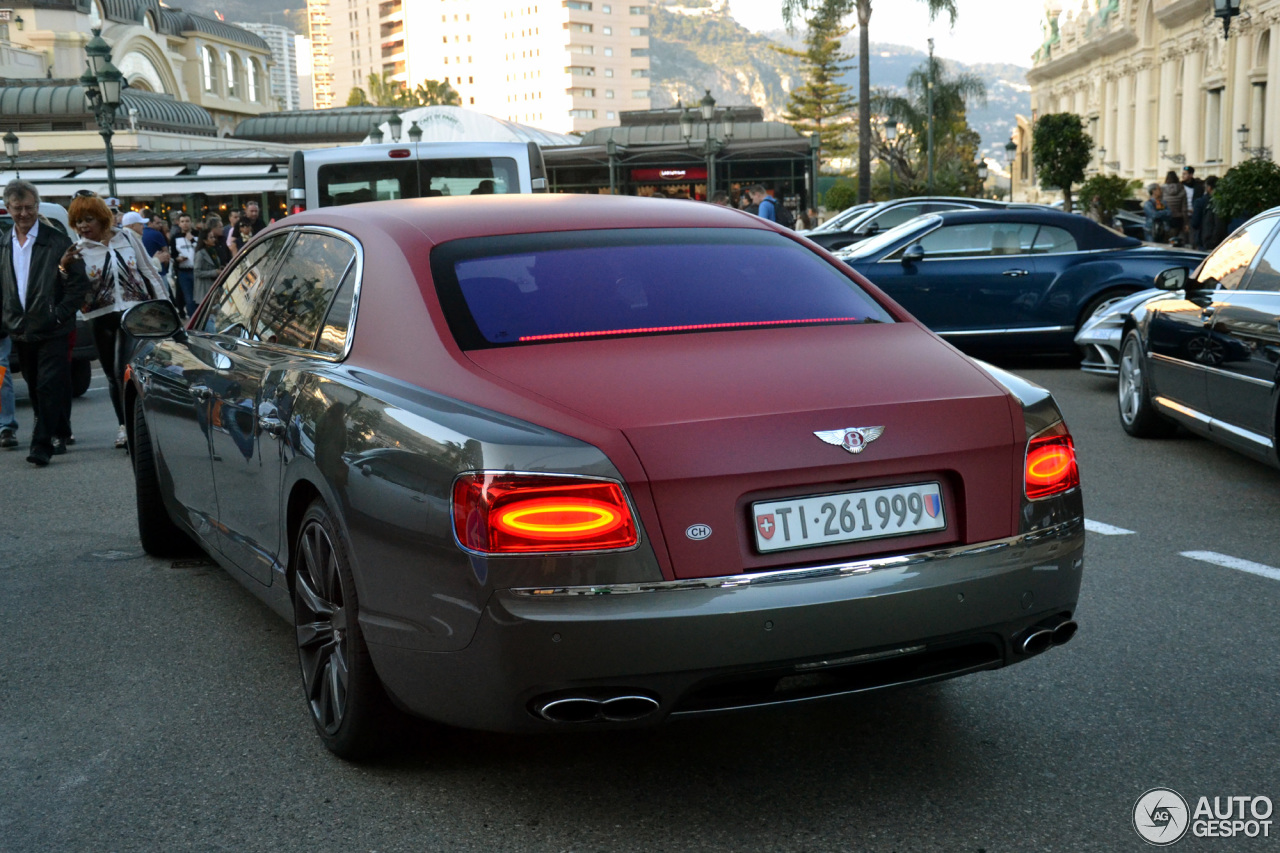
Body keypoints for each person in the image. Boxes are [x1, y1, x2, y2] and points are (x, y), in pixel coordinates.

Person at [0, 180, 89, 466]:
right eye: (18, 208)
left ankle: (41, 445)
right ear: (8, 208)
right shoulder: (3, 243)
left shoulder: (57, 240)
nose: (23, 214)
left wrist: (59, 314)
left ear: (37, 207)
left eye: (29, 207)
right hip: (21, 329)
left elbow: (78, 285)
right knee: (36, 383)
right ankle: (59, 429)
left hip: (53, 327)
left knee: (49, 385)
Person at [69, 193, 168, 450]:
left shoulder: (127, 237)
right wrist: (63, 268)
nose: (82, 226)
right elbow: (70, 288)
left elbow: (148, 271)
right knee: (112, 376)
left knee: (123, 369)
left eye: (87, 219)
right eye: (77, 220)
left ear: (101, 218)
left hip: (133, 313)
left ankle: (136, 425)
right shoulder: (77, 250)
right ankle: (124, 425)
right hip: (98, 317)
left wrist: (165, 307)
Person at [1190, 174, 1227, 252]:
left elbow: (1195, 223)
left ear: (1209, 188)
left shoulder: (1200, 202)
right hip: (1221, 241)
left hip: (1204, 241)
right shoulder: (1224, 202)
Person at [171, 212, 198, 318]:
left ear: (191, 222)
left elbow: (200, 250)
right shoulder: (175, 237)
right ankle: (193, 319)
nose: (185, 224)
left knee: (199, 297)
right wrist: (177, 259)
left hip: (197, 270)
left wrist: (192, 240)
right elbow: (173, 255)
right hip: (183, 271)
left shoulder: (197, 235)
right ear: (179, 224)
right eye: (182, 221)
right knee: (189, 298)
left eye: (187, 221)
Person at [192, 225, 225, 305]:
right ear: (205, 241)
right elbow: (197, 272)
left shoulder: (213, 251)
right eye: (211, 237)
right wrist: (214, 272)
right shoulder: (200, 254)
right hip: (205, 289)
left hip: (215, 287)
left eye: (214, 237)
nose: (214, 239)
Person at [1161, 170, 1187, 244]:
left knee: (1166, 240)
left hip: (1166, 217)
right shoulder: (1182, 189)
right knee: (1176, 239)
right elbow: (1184, 208)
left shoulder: (1162, 189)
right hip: (1178, 218)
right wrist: (1186, 223)